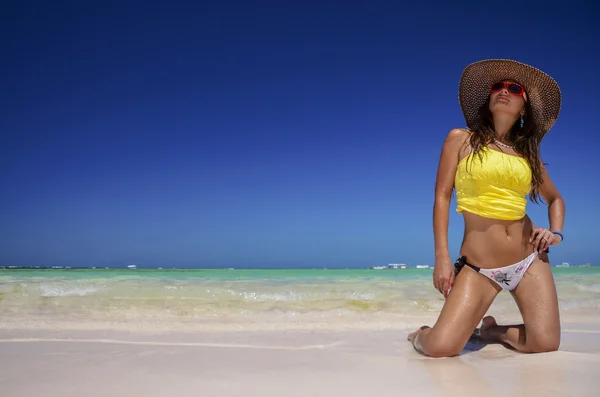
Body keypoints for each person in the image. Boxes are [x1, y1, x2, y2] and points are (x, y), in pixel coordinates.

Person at [407, 59, 565, 357]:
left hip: (529, 259)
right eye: (497, 87)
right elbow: (442, 197)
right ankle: (421, 334)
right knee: (440, 349)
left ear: (524, 107)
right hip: (480, 265)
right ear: (488, 99)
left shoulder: (526, 156)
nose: (504, 90)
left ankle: (492, 331)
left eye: (514, 88)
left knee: (545, 344)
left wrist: (556, 234)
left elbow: (556, 199)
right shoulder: (461, 140)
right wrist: (442, 257)